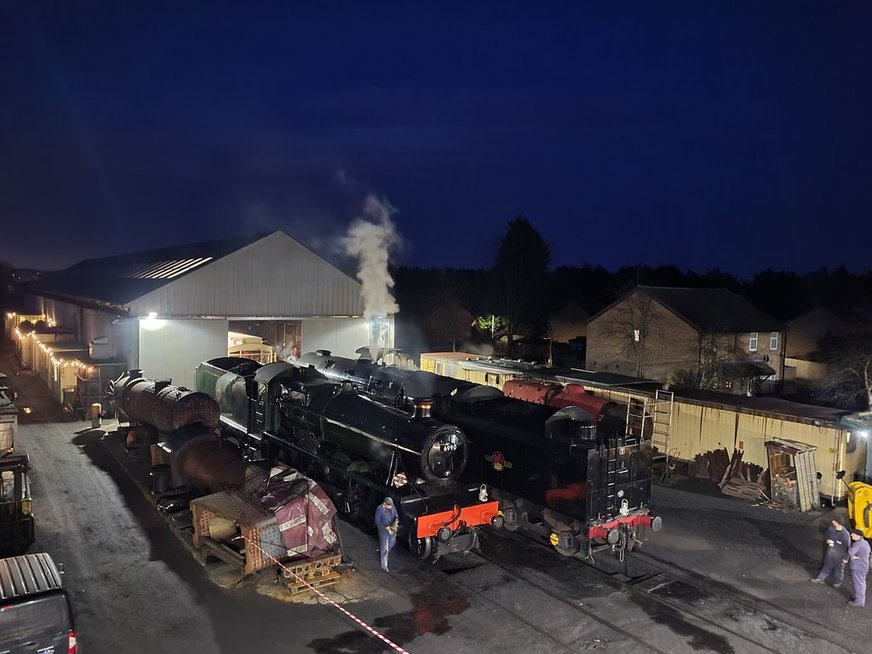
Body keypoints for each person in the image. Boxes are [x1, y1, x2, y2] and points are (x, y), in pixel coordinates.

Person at [811, 513, 851, 587]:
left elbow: (848, 548)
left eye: (834, 521)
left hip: (840, 555)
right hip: (830, 553)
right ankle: (820, 578)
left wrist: (846, 558)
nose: (833, 522)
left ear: (839, 523)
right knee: (827, 566)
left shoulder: (845, 535)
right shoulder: (831, 529)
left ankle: (838, 582)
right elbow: (826, 537)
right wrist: (827, 541)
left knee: (839, 570)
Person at [374, 496, 398, 572]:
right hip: (383, 530)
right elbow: (377, 522)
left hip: (392, 528)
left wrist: (396, 520)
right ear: (385, 504)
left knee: (392, 543)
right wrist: (385, 527)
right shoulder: (379, 510)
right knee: (385, 548)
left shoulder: (392, 506)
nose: (391, 507)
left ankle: (384, 551)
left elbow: (395, 513)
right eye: (389, 505)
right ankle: (384, 565)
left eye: (391, 505)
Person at [848, 528, 871, 607]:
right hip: (865, 566)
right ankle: (860, 597)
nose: (851, 535)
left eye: (853, 534)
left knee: (858, 584)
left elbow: (850, 552)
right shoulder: (865, 542)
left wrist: (853, 557)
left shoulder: (857, 544)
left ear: (858, 536)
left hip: (858, 567)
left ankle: (859, 601)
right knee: (862, 583)